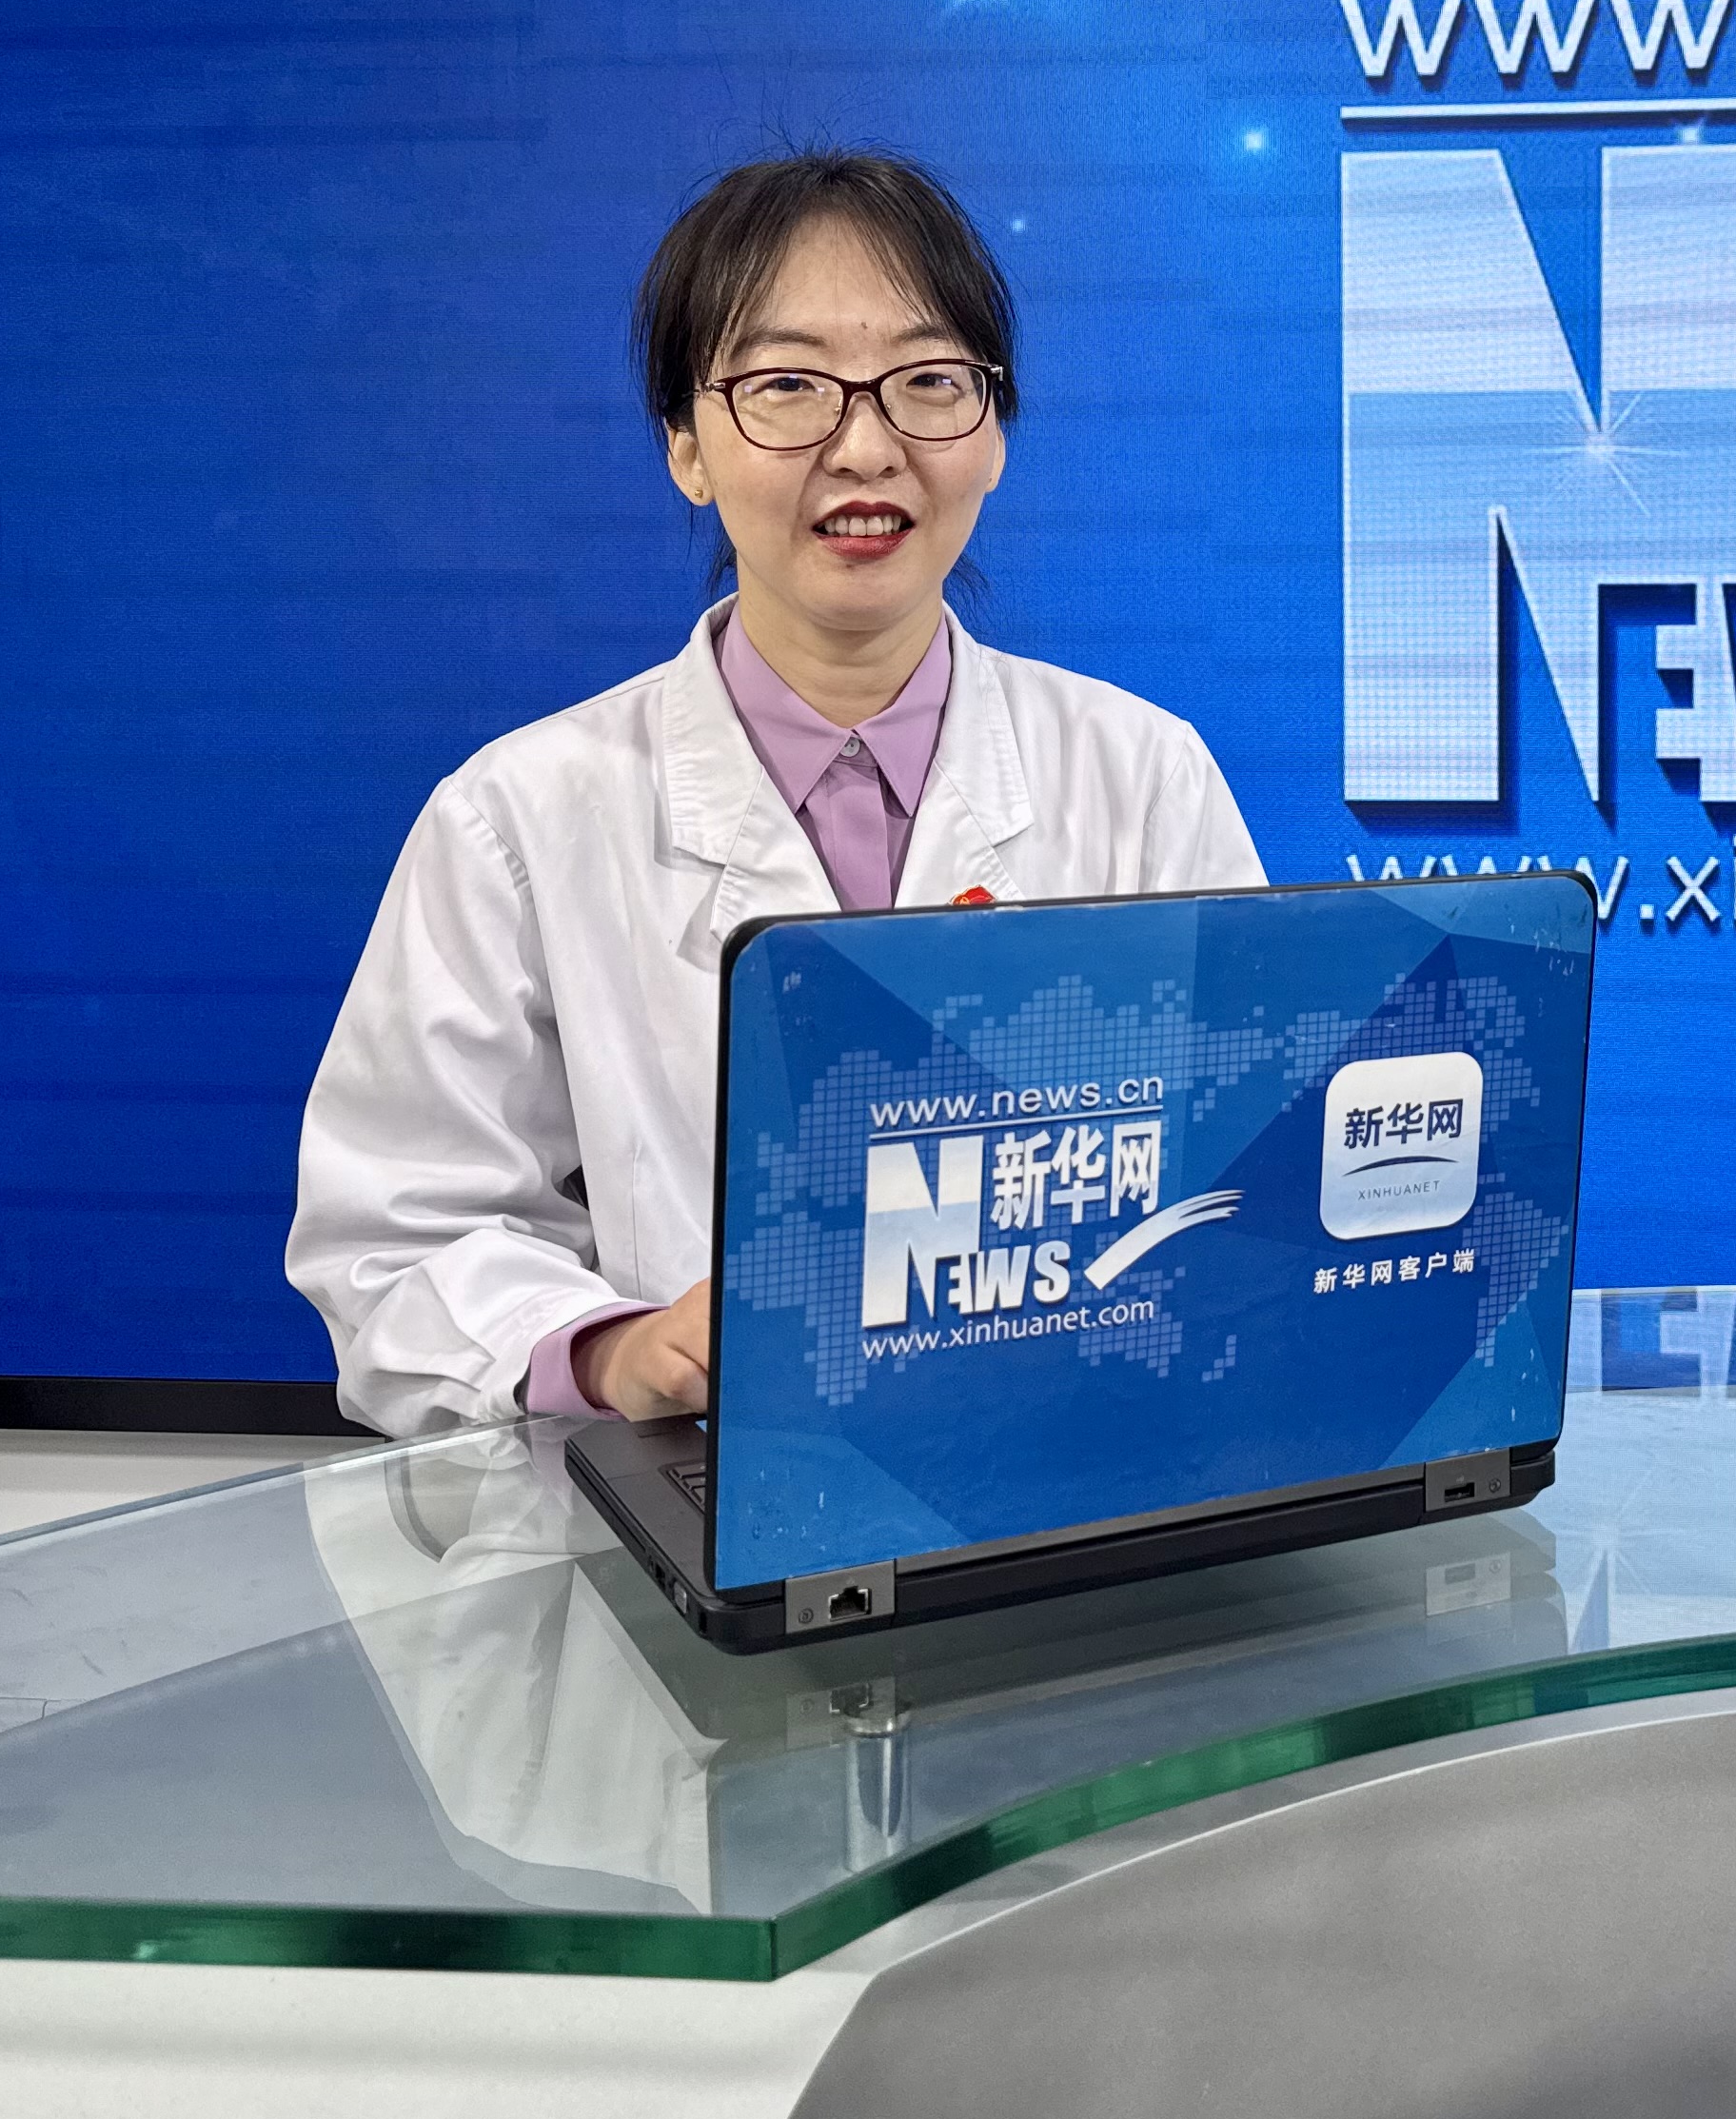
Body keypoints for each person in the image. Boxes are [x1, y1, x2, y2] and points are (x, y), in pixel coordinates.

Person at [287, 152, 1266, 1438]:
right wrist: (612, 1350)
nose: (865, 447)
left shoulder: (1142, 776)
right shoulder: (517, 820)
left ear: (994, 436)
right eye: (788, 386)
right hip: (698, 1497)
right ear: (687, 446)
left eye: (929, 382)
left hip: (1079, 1480)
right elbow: (395, 1241)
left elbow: (1251, 1178)